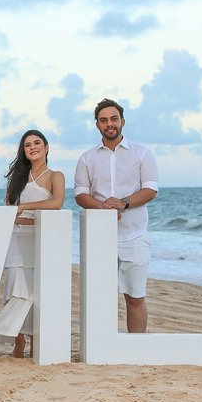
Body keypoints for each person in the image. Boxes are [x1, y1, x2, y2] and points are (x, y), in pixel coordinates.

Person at [74, 98, 158, 334]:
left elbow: (150, 190)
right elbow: (80, 194)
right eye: (103, 120)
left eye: (113, 119)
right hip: (100, 239)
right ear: (97, 125)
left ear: (122, 121)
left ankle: (136, 347)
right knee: (100, 297)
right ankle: (102, 347)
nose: (109, 124)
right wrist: (104, 207)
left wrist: (123, 203)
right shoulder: (87, 158)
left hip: (134, 237)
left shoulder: (142, 153)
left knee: (135, 297)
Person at [0, 129, 64, 357]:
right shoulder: (18, 179)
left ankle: (35, 345)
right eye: (28, 145)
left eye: (37, 143)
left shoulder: (56, 176)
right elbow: (9, 211)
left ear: (46, 148)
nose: (33, 148)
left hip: (39, 240)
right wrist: (18, 211)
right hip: (16, 238)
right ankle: (18, 345)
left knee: (35, 295)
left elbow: (57, 203)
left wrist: (24, 207)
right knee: (15, 291)